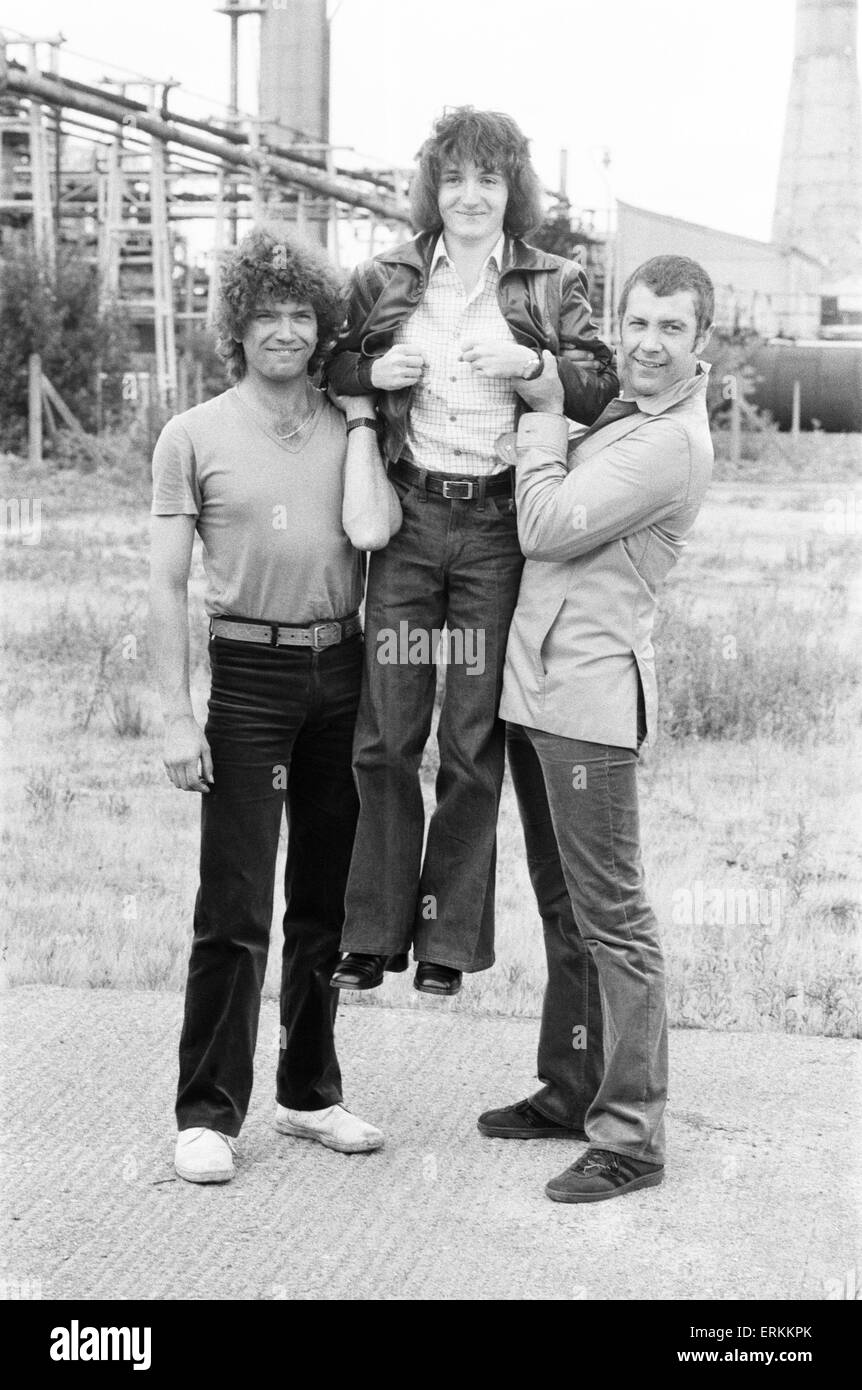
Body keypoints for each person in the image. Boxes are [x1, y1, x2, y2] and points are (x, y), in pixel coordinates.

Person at [327, 107, 618, 999]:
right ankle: (372, 933)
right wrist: (369, 376)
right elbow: (333, 363)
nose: (470, 195)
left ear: (511, 191)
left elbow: (598, 385)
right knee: (384, 734)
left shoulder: (551, 280)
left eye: (488, 179)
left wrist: (533, 371)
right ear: (433, 188)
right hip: (409, 521)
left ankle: (445, 940)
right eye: (453, 178)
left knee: (469, 738)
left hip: (496, 531)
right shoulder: (384, 274)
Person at [149, 224, 401, 1184]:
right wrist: (176, 713)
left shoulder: (351, 428)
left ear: (321, 324)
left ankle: (309, 1092)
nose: (286, 330)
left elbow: (378, 531)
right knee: (237, 902)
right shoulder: (194, 435)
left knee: (326, 900)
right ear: (237, 327)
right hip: (249, 678)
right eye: (268, 315)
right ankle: (207, 1112)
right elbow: (164, 584)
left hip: (343, 673)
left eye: (302, 314)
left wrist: (370, 417)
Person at [478, 255, 715, 1202]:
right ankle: (572, 1084)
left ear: (702, 342)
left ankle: (632, 1135)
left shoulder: (667, 445)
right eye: (639, 324)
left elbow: (542, 525)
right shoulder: (626, 412)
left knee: (614, 921)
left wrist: (539, 416)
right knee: (564, 909)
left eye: (671, 329)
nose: (649, 345)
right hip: (540, 691)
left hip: (589, 705)